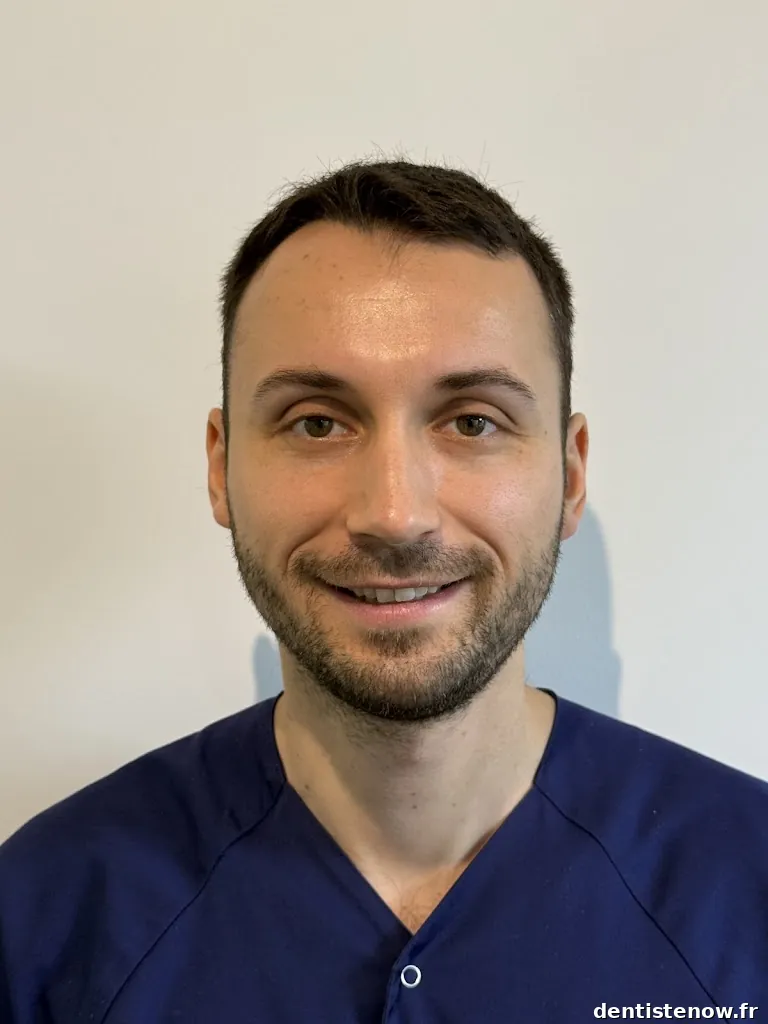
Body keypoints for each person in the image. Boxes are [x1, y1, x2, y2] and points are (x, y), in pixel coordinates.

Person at [1, 159, 766, 1024]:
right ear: (220, 469)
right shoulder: (45, 920)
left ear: (571, 474)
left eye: (473, 421)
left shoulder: (747, 886)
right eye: (316, 423)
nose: (395, 515)